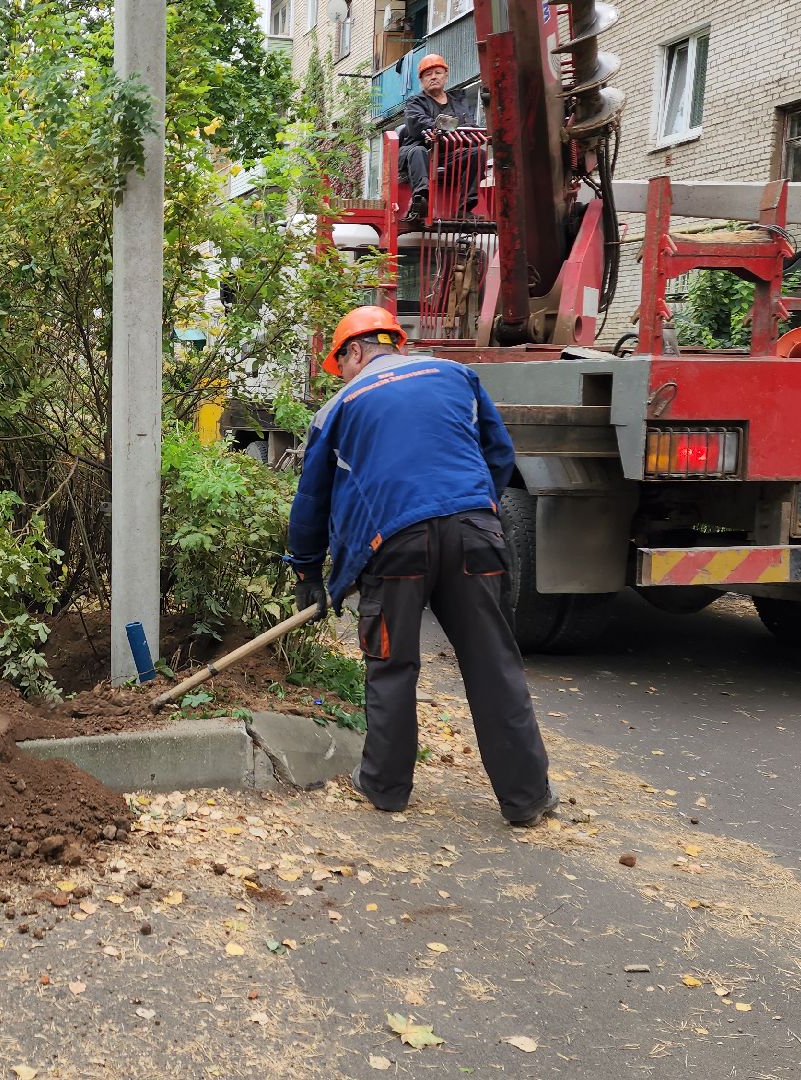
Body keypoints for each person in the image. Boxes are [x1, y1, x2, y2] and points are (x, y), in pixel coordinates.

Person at [285, 306, 556, 825]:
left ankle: (385, 788)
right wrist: (474, 512)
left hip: (395, 548)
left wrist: (307, 573)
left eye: (339, 363)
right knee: (494, 665)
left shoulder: (339, 406)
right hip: (475, 535)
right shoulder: (456, 375)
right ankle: (526, 799)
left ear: (356, 351)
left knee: (392, 666)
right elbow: (498, 454)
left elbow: (311, 500)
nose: (340, 375)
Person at [399, 53, 480, 226]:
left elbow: (471, 127)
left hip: (449, 155)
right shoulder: (415, 102)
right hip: (422, 153)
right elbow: (417, 125)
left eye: (438, 72)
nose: (434, 77)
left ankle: (465, 208)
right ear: (421, 80)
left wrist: (476, 135)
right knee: (418, 151)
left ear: (446, 75)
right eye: (428, 74)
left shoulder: (459, 102)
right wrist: (442, 128)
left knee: (476, 153)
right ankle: (421, 201)